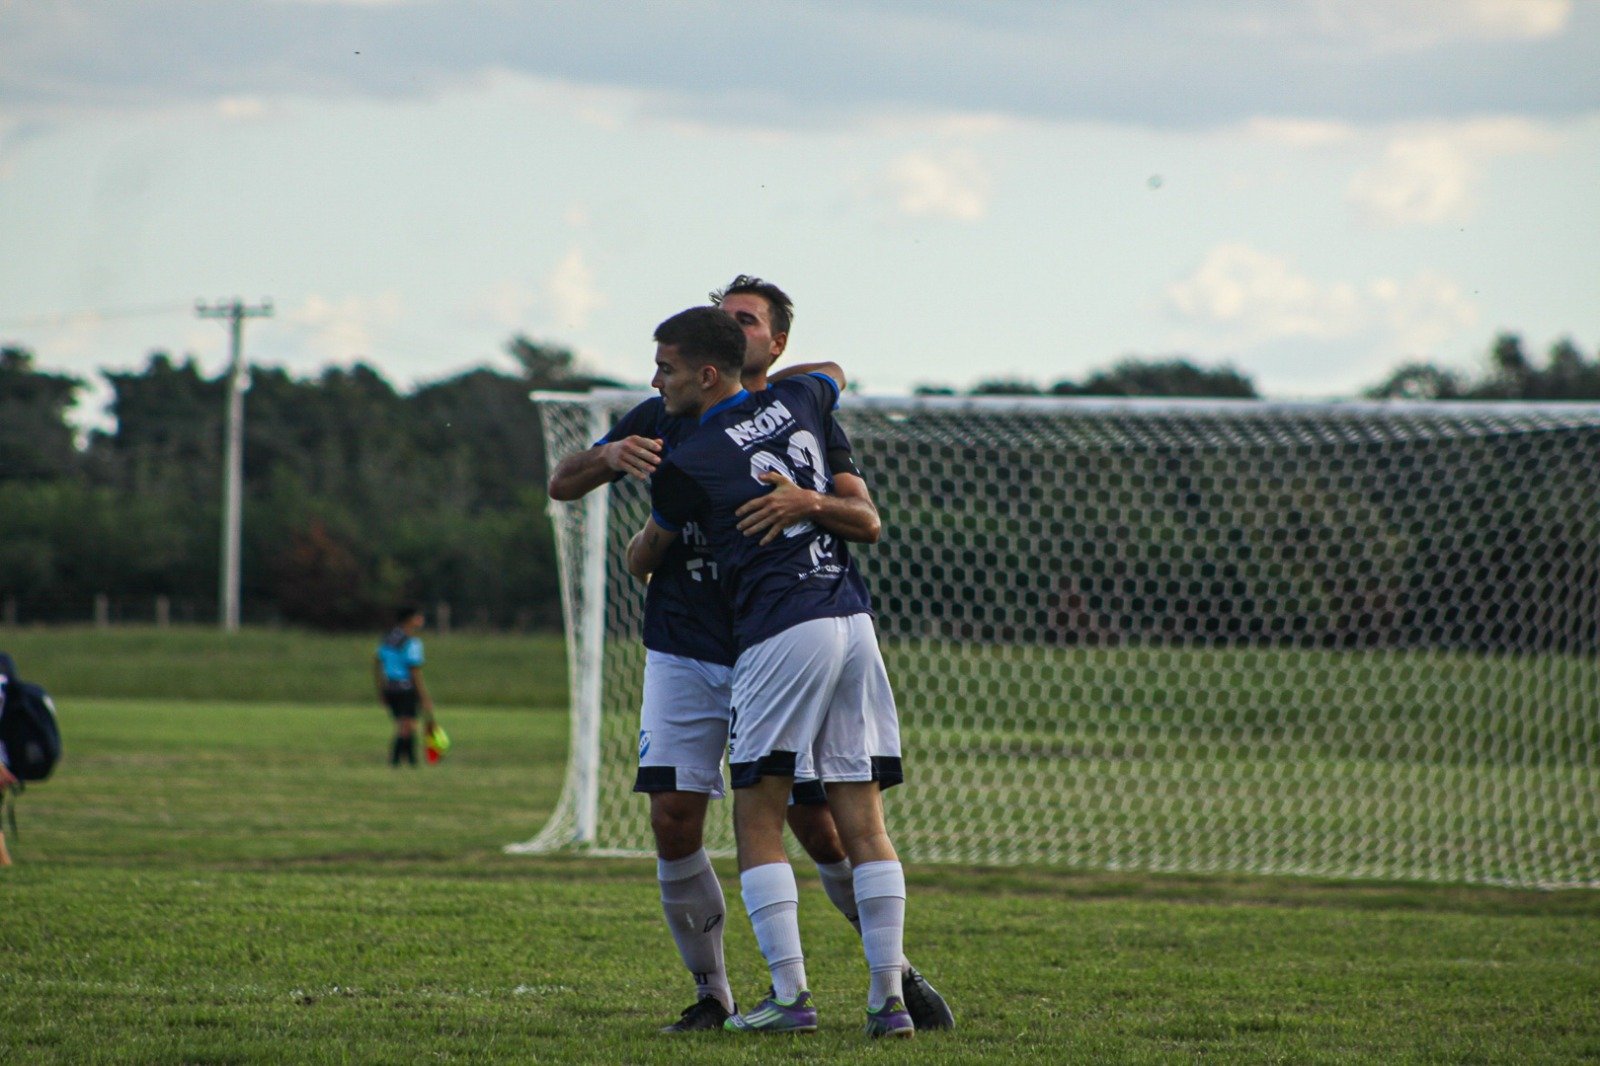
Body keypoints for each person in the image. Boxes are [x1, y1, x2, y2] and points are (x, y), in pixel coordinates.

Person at [547, 276, 951, 1034]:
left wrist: (807, 501)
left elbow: (863, 517)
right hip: (705, 639)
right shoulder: (690, 414)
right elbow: (563, 482)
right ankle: (723, 994)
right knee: (678, 815)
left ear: (769, 344)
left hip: (776, 631)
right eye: (723, 318)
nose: (731, 327)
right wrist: (611, 457)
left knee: (802, 822)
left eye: (745, 320)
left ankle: (854, 983)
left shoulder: (782, 412)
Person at [626, 306, 916, 1038]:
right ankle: (889, 1001)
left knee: (758, 815)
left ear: (706, 375)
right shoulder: (801, 397)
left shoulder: (689, 460)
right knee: (864, 821)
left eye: (665, 369)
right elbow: (833, 372)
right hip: (852, 616)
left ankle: (790, 996)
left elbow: (644, 556)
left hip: (782, 626)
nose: (656, 382)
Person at [375, 605, 433, 766]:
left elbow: (378, 662)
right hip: (406, 687)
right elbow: (414, 671)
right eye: (418, 617)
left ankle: (409, 761)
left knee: (405, 725)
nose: (421, 620)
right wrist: (424, 697)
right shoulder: (412, 642)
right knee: (407, 726)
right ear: (410, 619)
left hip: (390, 687)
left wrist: (381, 689)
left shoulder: (387, 638)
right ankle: (397, 761)